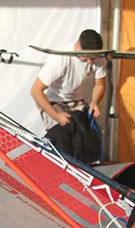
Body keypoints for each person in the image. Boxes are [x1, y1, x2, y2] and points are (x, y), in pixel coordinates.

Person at [30, 29, 107, 163]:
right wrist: (56, 116)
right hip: (53, 102)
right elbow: (36, 91)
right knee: (62, 137)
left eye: (93, 57)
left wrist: (95, 102)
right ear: (77, 46)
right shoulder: (60, 58)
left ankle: (88, 172)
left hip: (77, 102)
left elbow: (100, 85)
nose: (90, 61)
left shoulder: (99, 59)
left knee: (87, 137)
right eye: (86, 57)